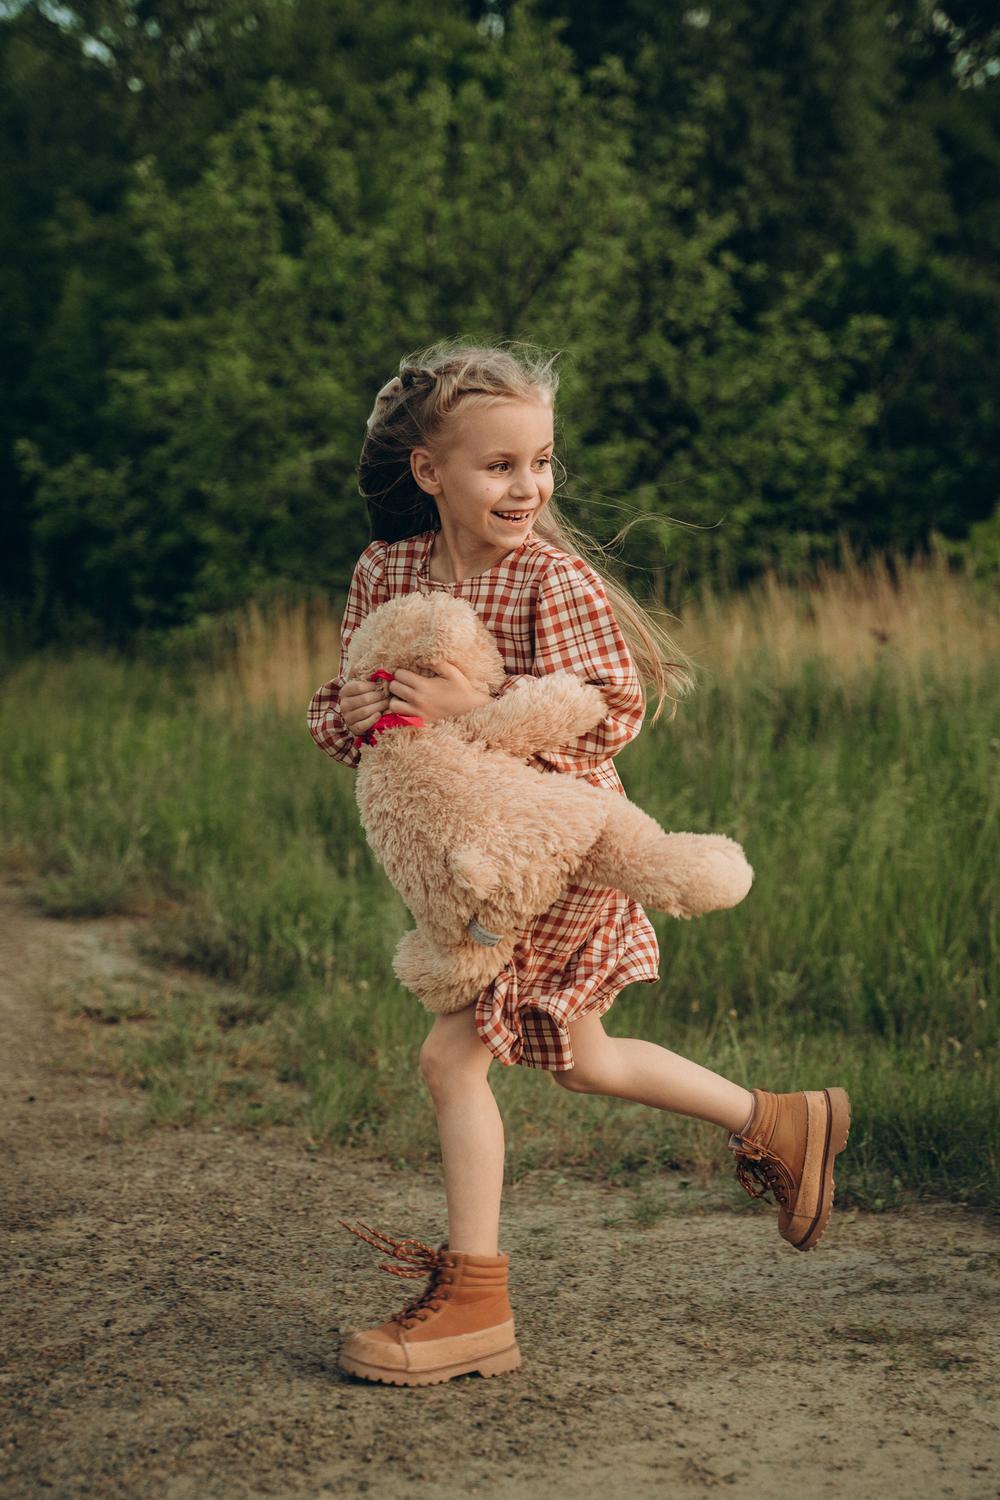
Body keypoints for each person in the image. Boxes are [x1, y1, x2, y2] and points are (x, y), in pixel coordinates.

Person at [307, 340, 850, 1387]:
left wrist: (478, 713)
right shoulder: (388, 571)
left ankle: (474, 1303)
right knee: (582, 1056)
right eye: (499, 465)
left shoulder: (549, 577)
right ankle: (778, 1121)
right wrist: (363, 710)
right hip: (465, 850)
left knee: (448, 1057)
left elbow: (612, 712)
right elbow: (337, 715)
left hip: (558, 846)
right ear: (430, 472)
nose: (528, 487)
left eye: (541, 462)